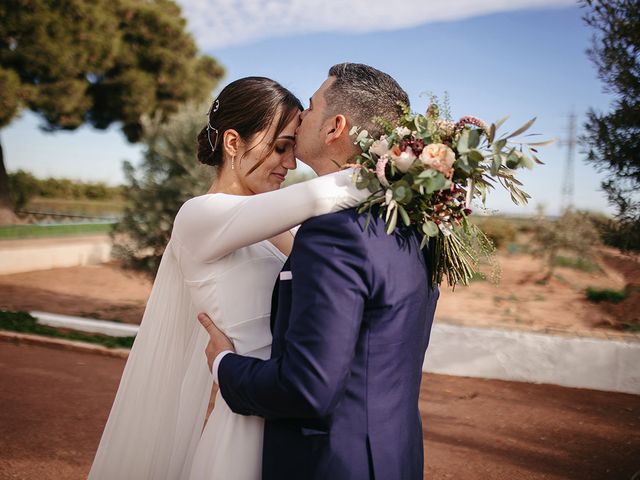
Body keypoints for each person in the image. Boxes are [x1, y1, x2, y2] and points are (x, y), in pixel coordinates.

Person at [88, 76, 369, 479]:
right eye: (280, 147)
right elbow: (322, 195)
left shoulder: (276, 227)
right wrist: (409, 168)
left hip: (292, 413)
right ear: (233, 143)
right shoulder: (199, 215)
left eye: (293, 148)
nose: (291, 165)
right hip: (247, 424)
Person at [198, 63, 440, 480]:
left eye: (310, 107)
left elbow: (309, 387)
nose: (302, 116)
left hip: (330, 463)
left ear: (335, 127)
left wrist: (223, 364)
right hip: (393, 456)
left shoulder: (334, 231)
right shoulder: (413, 226)